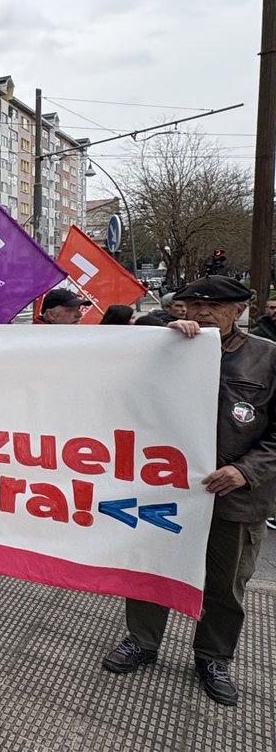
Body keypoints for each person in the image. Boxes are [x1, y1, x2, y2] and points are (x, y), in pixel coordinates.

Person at [101, 276, 276, 706]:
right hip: (165, 490)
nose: (200, 313)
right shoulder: (164, 347)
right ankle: (142, 641)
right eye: (192, 305)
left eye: (213, 307)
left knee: (226, 583)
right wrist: (159, 342)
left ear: (238, 311)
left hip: (234, 495)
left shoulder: (267, 358)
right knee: (152, 568)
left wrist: (245, 471)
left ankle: (213, 657)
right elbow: (122, 395)